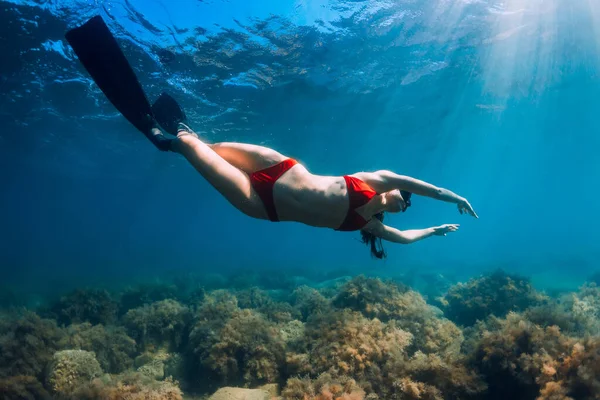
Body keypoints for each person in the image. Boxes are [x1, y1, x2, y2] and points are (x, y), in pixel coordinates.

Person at [65, 16, 478, 259]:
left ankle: (166, 136)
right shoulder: (378, 180)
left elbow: (406, 237)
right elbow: (416, 184)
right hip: (275, 165)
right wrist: (453, 196)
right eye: (406, 200)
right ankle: (183, 130)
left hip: (261, 205)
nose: (405, 203)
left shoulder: (367, 223)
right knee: (200, 142)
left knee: (185, 146)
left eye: (406, 205)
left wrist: (435, 232)